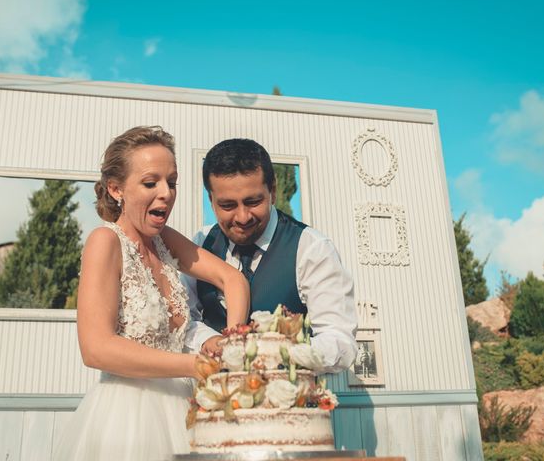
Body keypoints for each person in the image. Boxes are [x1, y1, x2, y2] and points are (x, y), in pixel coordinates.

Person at [54, 126, 249, 460]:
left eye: (171, 182)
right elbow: (96, 349)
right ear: (116, 189)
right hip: (128, 420)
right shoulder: (105, 242)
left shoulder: (164, 241)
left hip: (182, 409)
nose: (166, 193)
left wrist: (230, 341)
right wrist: (196, 365)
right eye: (150, 183)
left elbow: (233, 280)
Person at [183, 138, 357, 373]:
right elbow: (184, 320)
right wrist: (206, 340)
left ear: (273, 191)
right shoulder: (201, 244)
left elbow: (340, 342)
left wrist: (275, 352)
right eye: (227, 206)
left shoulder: (312, 249)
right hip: (213, 402)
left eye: (253, 202)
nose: (243, 217)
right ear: (211, 201)